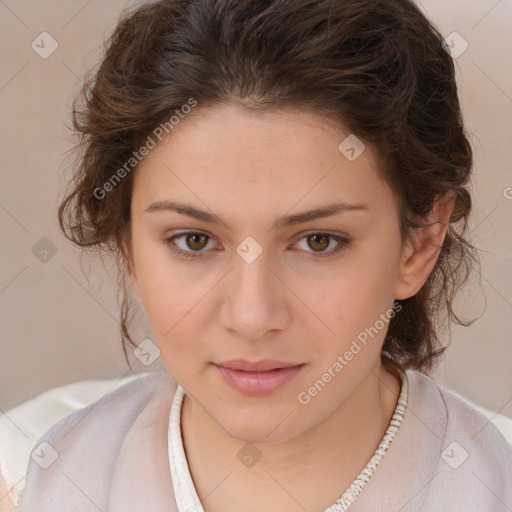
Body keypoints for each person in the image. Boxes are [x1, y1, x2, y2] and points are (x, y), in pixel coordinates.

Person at [7, 0, 512, 510]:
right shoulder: (30, 475)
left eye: (319, 241)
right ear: (128, 247)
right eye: (194, 240)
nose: (252, 317)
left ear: (420, 243)